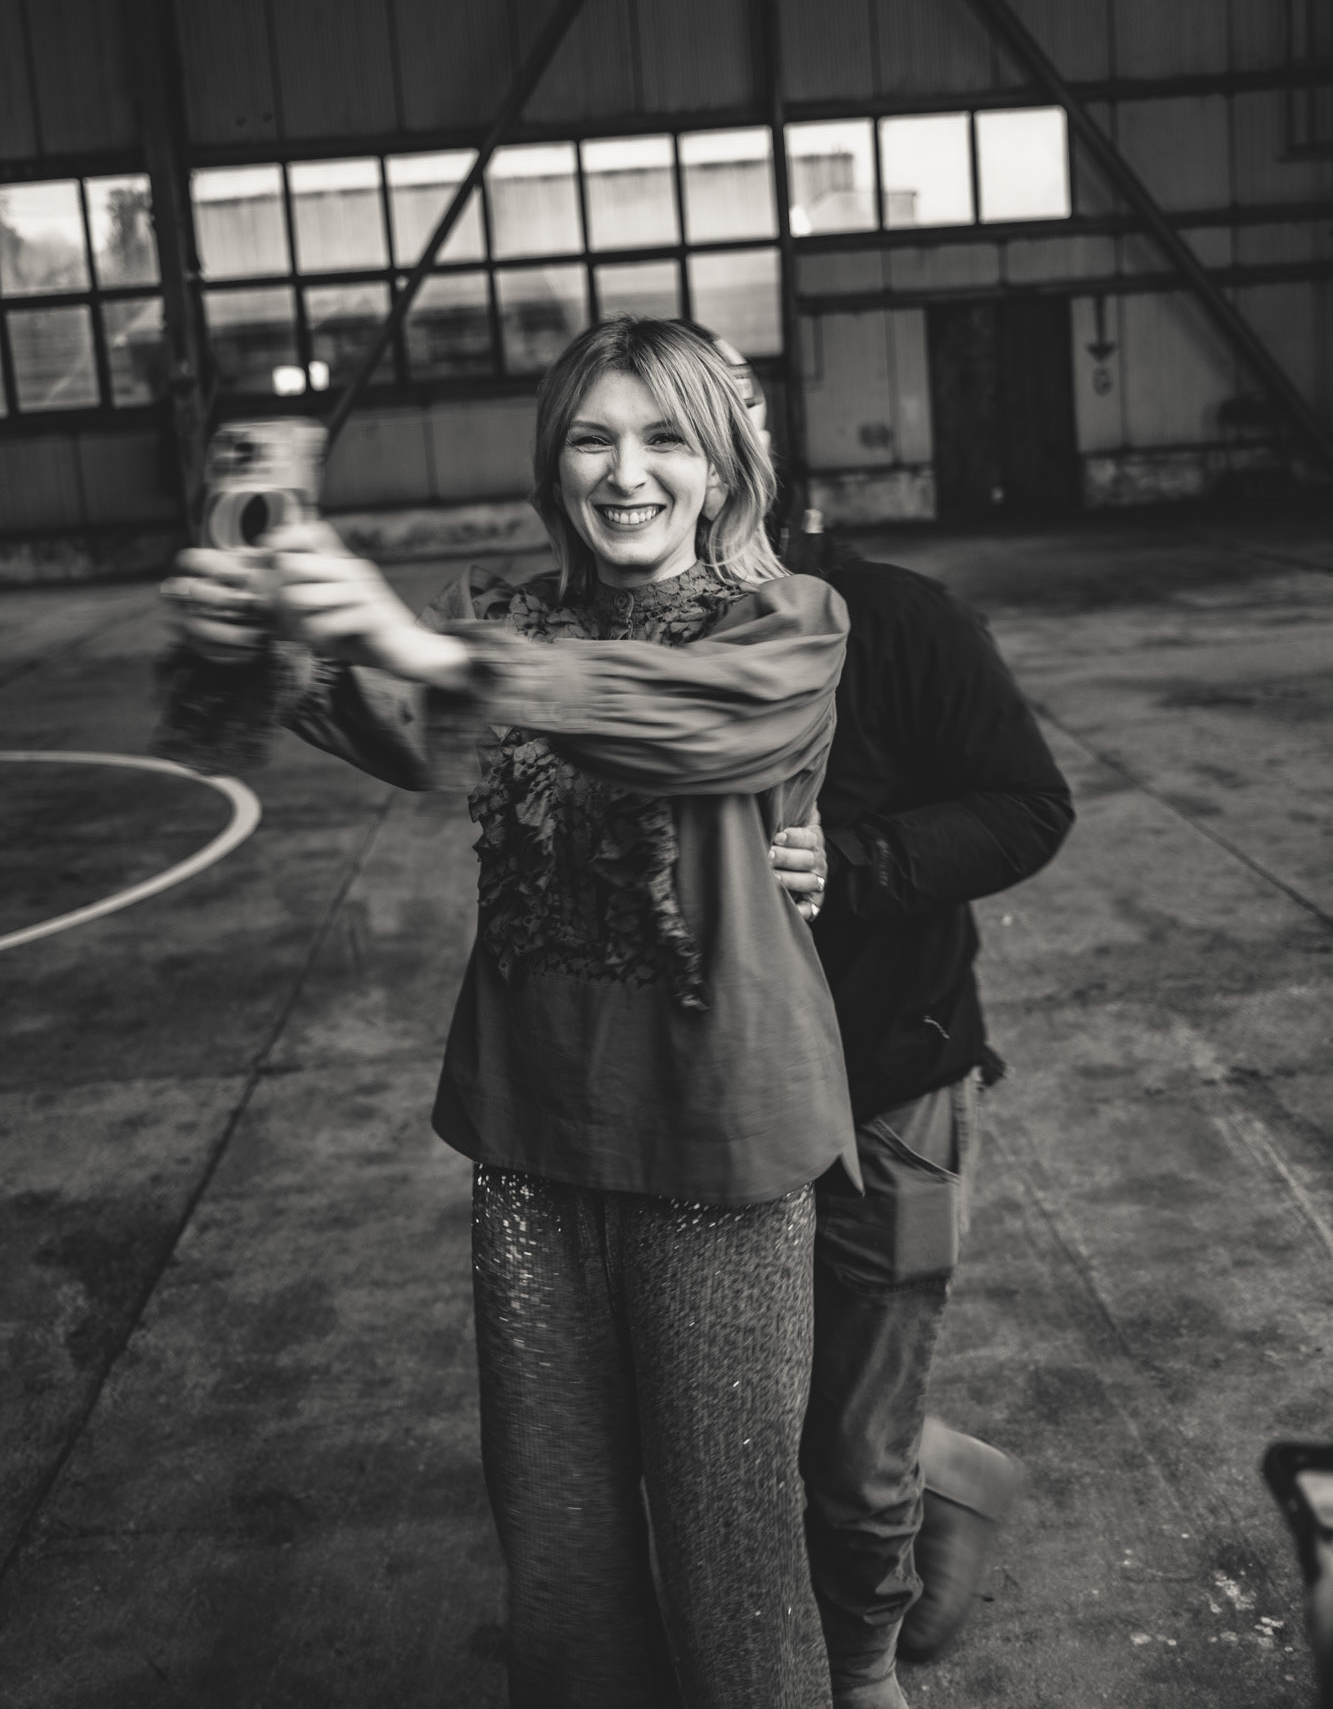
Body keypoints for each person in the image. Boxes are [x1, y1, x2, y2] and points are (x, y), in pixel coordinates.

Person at [156, 317, 859, 1709]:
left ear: (723, 466)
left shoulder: (785, 623)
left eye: (665, 440)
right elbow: (383, 717)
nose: (626, 473)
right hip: (532, 1131)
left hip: (718, 1137)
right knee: (561, 1547)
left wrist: (433, 650)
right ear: (554, 463)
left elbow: (696, 720)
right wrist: (248, 633)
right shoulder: (505, 612)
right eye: (592, 439)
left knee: (730, 1556)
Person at [709, 337, 1075, 1709]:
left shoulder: (897, 620)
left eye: (706, 424)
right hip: (708, 1103)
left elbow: (1027, 807)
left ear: (758, 446)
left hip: (886, 1087)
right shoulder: (628, 649)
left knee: (850, 1446)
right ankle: (949, 1470)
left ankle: (863, 1670)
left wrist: (853, 863)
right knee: (750, 1408)